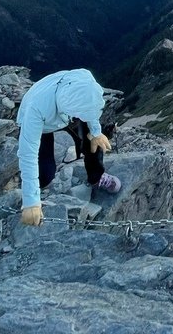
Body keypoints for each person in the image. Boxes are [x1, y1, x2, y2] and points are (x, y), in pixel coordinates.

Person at [16, 68, 120, 227]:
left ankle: (96, 177)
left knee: (95, 142)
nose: (80, 118)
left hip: (65, 109)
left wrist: (96, 132)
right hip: (45, 123)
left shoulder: (85, 82)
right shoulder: (35, 109)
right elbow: (27, 153)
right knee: (45, 173)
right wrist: (31, 202)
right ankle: (34, 191)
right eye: (80, 115)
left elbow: (91, 109)